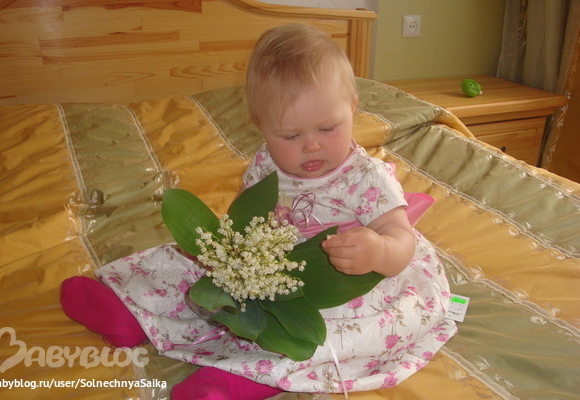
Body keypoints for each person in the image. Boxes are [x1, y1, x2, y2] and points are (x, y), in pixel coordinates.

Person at [61, 24, 457, 399]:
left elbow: (400, 237)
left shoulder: (366, 177)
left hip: (343, 281)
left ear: (353, 108)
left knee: (336, 334)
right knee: (188, 264)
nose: (312, 145)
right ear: (261, 127)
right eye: (290, 135)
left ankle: (236, 382)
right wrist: (231, 252)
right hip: (266, 269)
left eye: (327, 128)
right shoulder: (267, 163)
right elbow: (244, 216)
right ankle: (130, 311)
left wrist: (380, 251)